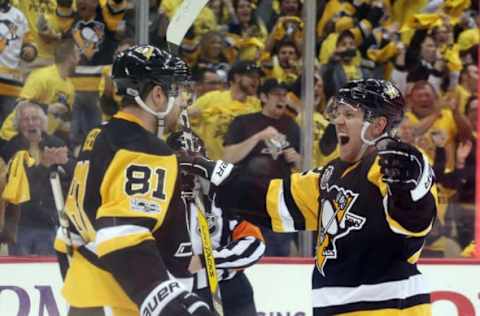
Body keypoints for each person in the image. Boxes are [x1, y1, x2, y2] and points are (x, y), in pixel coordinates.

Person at [179, 79, 438, 315]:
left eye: (349, 114)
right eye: (338, 114)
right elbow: (272, 199)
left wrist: (404, 192)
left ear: (378, 125)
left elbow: (414, 222)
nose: (338, 121)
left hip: (390, 308)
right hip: (333, 308)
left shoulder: (399, 165)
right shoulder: (330, 174)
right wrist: (211, 172)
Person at [54, 45, 213, 316]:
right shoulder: (146, 149)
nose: (184, 101)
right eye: (176, 91)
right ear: (158, 95)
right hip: (120, 291)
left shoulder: (100, 134)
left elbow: (83, 220)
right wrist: (165, 299)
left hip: (86, 284)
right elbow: (123, 234)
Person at [167, 131, 265, 316]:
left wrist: (207, 259)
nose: (189, 170)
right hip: (177, 294)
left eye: (195, 162)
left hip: (230, 291)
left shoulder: (224, 196)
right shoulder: (159, 201)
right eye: (182, 162)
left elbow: (254, 244)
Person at [223, 78, 300, 256]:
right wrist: (259, 137)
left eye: (284, 95)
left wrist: (296, 158)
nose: (282, 99)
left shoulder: (292, 126)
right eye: (277, 95)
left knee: (278, 255)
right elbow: (228, 158)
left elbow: (303, 165)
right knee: (244, 253)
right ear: (263, 97)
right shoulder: (243, 122)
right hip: (245, 202)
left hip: (278, 203)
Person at [1, 101, 72, 256]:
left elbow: (73, 176)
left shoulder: (57, 143)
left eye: (35, 118)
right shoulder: (11, 149)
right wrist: (44, 166)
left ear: (43, 122)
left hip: (49, 222)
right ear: (19, 125)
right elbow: (22, 186)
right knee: (21, 272)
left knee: (51, 272)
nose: (31, 123)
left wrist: (66, 164)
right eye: (26, 119)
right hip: (21, 224)